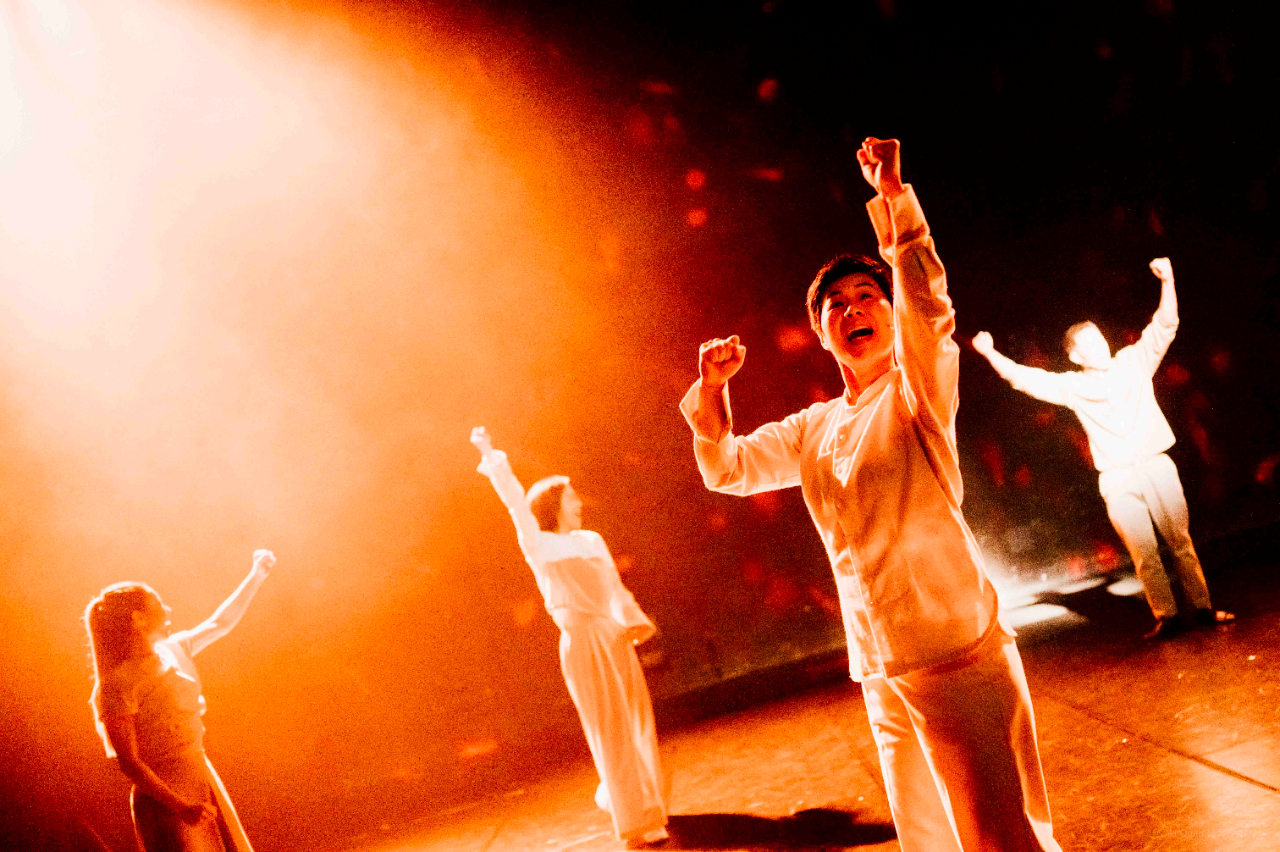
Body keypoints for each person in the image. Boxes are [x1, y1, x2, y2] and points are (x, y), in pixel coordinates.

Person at [681, 138, 1060, 852]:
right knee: (927, 836)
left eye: (866, 297)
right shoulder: (814, 427)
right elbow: (728, 467)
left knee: (999, 836)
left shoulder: (917, 391)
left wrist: (894, 203)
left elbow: (930, 312)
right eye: (835, 304)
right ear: (821, 333)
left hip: (954, 649)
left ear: (890, 312)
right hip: (882, 662)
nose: (852, 309)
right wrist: (711, 390)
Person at [973, 258, 1234, 640]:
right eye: (1088, 345)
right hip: (1117, 477)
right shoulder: (1074, 386)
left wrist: (1168, 280)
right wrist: (989, 353)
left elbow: (1165, 324)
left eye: (1098, 338)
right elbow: (1024, 379)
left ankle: (1203, 607)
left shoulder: (1133, 362)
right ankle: (1167, 616)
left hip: (1156, 464)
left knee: (1180, 542)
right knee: (1143, 553)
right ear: (1075, 356)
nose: (1098, 346)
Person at [470, 427, 668, 849]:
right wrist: (493, 457)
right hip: (582, 641)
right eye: (571, 497)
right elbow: (515, 504)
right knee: (610, 728)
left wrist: (632, 622)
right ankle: (636, 819)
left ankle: (635, 798)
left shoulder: (591, 540)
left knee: (636, 721)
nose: (578, 503)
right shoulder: (539, 545)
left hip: (612, 637)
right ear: (555, 505)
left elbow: (614, 587)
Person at [85, 549, 277, 852]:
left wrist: (256, 576)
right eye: (158, 604)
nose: (167, 609)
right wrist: (181, 806)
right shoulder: (116, 684)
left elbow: (219, 623)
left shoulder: (174, 650)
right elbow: (129, 762)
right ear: (138, 619)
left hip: (201, 779)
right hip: (166, 800)